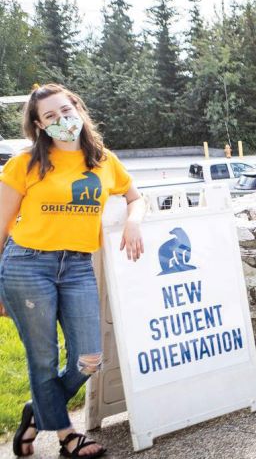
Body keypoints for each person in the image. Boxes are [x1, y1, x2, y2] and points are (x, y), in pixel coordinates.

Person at [0, 84, 146, 458]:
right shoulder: (24, 164)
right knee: (43, 358)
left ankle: (37, 411)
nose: (62, 120)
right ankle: (66, 434)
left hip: (78, 265)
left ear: (78, 108)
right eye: (50, 116)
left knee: (89, 357)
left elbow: (135, 197)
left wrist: (133, 222)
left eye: (65, 110)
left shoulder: (102, 160)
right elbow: (0, 226)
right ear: (38, 125)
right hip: (27, 265)